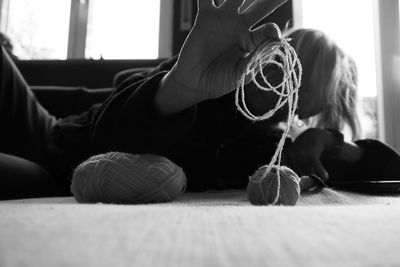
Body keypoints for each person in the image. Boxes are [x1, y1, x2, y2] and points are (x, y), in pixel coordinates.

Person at [0, 0, 398, 200]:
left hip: (52, 180)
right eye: (279, 67)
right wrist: (178, 91)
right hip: (52, 139)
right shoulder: (208, 68)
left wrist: (333, 141)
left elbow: (386, 171)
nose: (276, 89)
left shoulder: (269, 150)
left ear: (305, 109)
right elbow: (104, 134)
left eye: (295, 95)